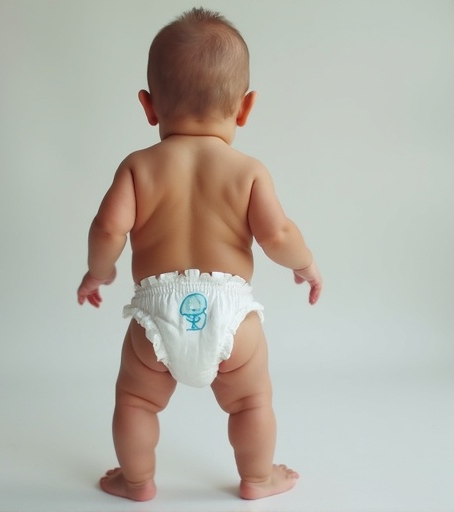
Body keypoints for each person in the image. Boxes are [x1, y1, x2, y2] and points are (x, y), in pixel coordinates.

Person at [77, 7, 322, 502]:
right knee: (252, 402)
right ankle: (257, 477)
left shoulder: (138, 166)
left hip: (155, 312)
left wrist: (96, 275)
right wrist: (304, 264)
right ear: (245, 107)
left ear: (149, 106)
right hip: (231, 314)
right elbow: (276, 233)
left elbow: (107, 228)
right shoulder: (247, 170)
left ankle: (137, 480)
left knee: (135, 401)